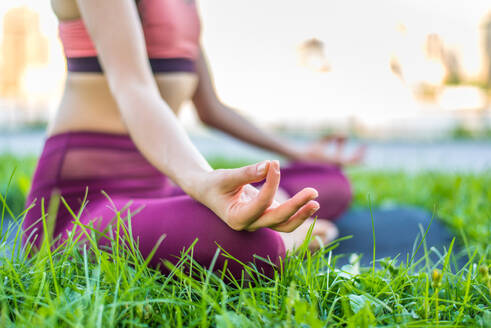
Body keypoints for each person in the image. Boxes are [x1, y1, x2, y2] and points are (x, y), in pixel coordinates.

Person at [23, 0, 362, 278]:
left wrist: (299, 153)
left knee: (328, 184)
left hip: (163, 186)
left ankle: (289, 224)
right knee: (259, 246)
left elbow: (211, 108)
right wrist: (202, 181)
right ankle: (301, 235)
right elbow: (135, 90)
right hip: (79, 208)